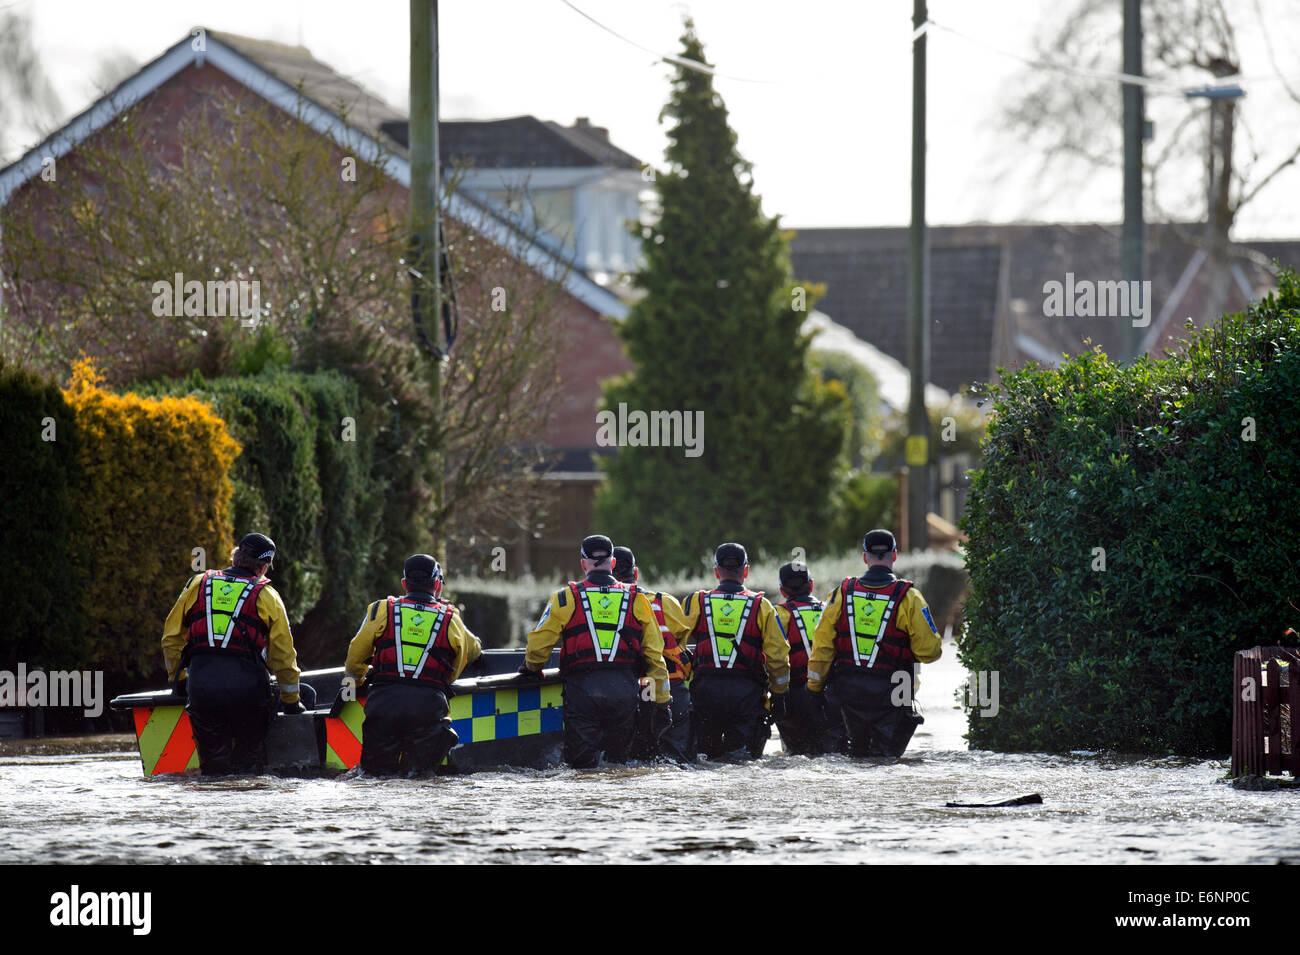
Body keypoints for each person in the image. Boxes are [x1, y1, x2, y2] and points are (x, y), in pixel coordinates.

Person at [521, 534, 671, 768]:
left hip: (581, 692)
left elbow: (539, 644)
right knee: (618, 767)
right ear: (612, 563)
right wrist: (662, 700)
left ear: (583, 564)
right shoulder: (637, 598)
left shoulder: (564, 597)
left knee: (581, 768)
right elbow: (654, 654)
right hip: (624, 691)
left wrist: (532, 668)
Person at [161, 532, 301, 775]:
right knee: (248, 767)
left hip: (203, 688)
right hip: (248, 693)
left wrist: (180, 680)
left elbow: (171, 639)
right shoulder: (268, 596)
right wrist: (291, 702)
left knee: (213, 770)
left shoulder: (198, 584)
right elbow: (283, 658)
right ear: (263, 566)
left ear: (236, 555)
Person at [807, 529, 943, 757]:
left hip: (847, 692)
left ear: (864, 557)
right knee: (886, 763)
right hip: (894, 693)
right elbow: (930, 652)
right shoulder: (911, 598)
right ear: (895, 555)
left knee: (852, 761)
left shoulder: (841, 593)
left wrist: (814, 688)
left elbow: (822, 646)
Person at [344, 554, 482, 776]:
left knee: (374, 777)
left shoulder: (380, 609)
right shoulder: (451, 618)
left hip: (383, 703)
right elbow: (466, 657)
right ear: (437, 585)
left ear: (404, 583)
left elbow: (354, 657)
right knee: (421, 779)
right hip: (428, 706)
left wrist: (355, 683)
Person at [680, 543, 791, 760]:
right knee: (743, 761)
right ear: (746, 571)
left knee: (704, 761)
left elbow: (674, 643)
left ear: (716, 571)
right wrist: (779, 693)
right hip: (746, 696)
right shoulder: (763, 606)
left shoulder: (697, 602)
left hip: (705, 693)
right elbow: (778, 656)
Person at [616, 545, 694, 763]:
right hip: (670, 692)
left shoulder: (601, 605)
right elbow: (680, 641)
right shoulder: (665, 602)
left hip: (626, 692)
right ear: (636, 573)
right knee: (676, 762)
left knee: (626, 762)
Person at [771, 560, 845, 756]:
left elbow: (772, 656)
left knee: (797, 755)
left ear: (782, 590)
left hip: (794, 696)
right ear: (811, 585)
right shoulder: (829, 611)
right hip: (830, 695)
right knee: (832, 753)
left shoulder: (778, 614)